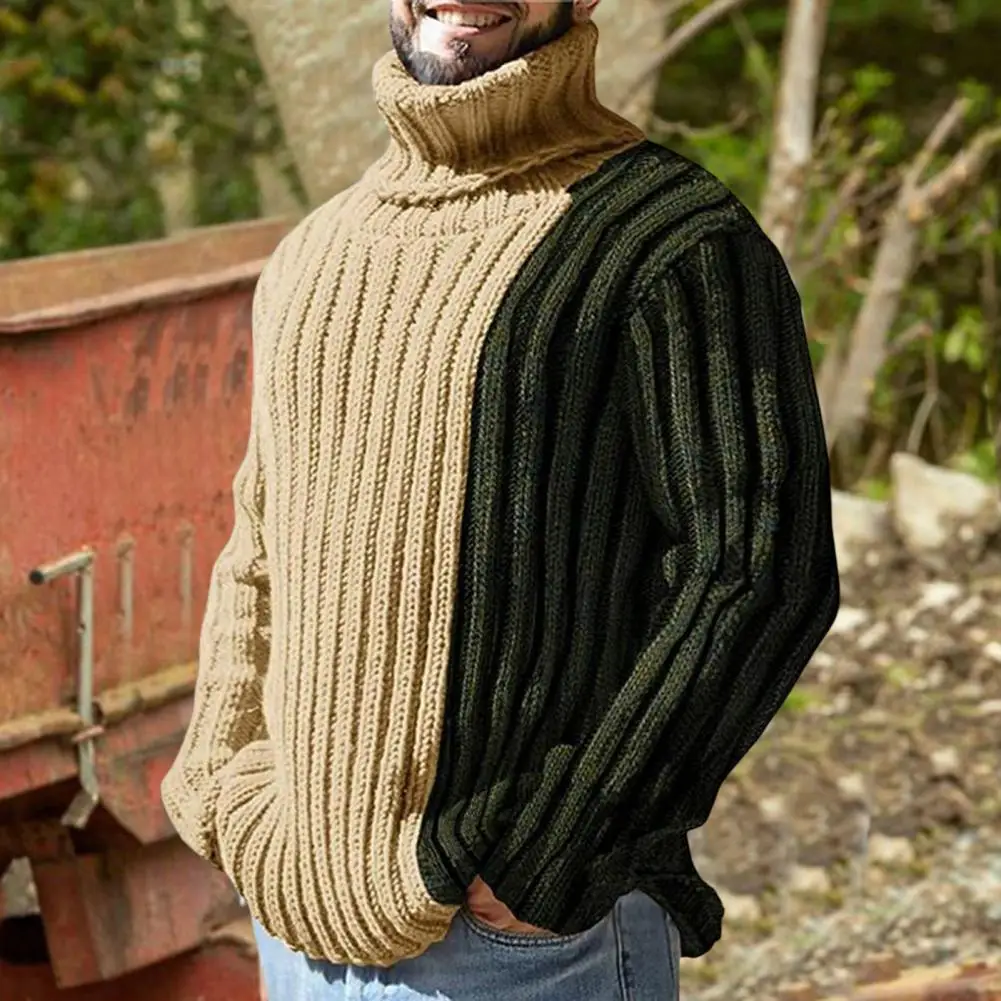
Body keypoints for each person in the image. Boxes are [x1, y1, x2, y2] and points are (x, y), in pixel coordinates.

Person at [161, 0, 840, 997]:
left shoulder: (674, 239)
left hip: (522, 942)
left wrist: (557, 847)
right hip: (294, 932)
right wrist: (220, 783)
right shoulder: (313, 253)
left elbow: (754, 572)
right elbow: (260, 546)